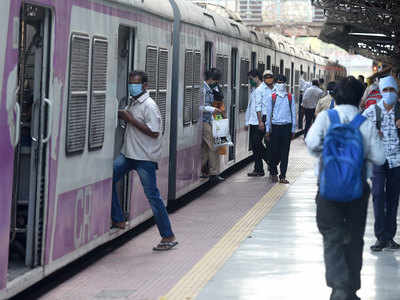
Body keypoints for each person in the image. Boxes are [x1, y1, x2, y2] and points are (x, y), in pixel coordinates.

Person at [305, 76, 385, 300]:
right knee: (354, 238)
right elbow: (379, 157)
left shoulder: (325, 119)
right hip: (357, 192)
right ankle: (351, 290)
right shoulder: (364, 123)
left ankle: (339, 288)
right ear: (360, 98)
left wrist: (327, 153)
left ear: (336, 96)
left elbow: (311, 143)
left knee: (332, 237)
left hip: (328, 190)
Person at [113, 70, 178, 251]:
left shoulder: (149, 105)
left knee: (153, 197)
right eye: (130, 82)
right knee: (107, 180)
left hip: (144, 159)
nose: (132, 86)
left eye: (135, 83)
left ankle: (168, 236)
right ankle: (118, 218)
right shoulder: (133, 102)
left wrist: (130, 119)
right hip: (128, 155)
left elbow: (154, 131)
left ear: (144, 85)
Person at [363, 75, 400, 252]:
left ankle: (390, 236)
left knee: (393, 198)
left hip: (397, 161)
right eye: (386, 90)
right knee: (378, 195)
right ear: (380, 92)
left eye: (392, 90)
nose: (389, 93)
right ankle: (380, 236)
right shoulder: (371, 111)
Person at [265, 74, 296, 184]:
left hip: (286, 127)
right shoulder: (272, 97)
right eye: (278, 82)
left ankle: (283, 176)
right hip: (275, 127)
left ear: (285, 83)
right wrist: (268, 130)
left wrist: (293, 129)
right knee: (274, 151)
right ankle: (273, 172)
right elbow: (268, 114)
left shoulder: (290, 97)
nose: (280, 84)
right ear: (275, 83)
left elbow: (293, 113)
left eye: (282, 82)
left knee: (285, 152)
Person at [200, 68, 224, 182]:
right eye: (216, 81)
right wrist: (213, 109)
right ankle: (213, 173)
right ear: (211, 79)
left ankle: (200, 170)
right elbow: (200, 106)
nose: (217, 83)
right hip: (204, 121)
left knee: (205, 148)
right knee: (214, 145)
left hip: (210, 120)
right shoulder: (203, 89)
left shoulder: (211, 89)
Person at [246, 70, 270, 177]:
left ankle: (270, 160)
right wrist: (248, 121)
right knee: (255, 146)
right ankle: (259, 169)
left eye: (251, 79)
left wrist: (262, 122)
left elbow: (262, 107)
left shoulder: (263, 90)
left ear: (256, 78)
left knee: (256, 143)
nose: (250, 81)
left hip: (260, 122)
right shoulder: (255, 89)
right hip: (254, 121)